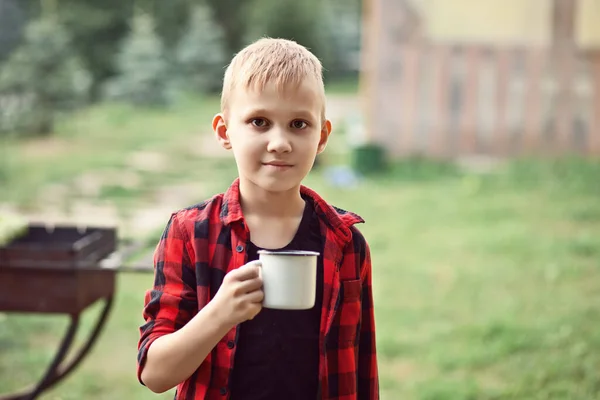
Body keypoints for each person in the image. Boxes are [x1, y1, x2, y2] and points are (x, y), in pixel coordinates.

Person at [136, 37, 379, 400]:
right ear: (224, 132)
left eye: (299, 124)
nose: (280, 142)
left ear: (323, 136)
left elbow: (362, 371)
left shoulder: (345, 243)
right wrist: (220, 313)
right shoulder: (189, 233)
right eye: (259, 122)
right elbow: (154, 374)